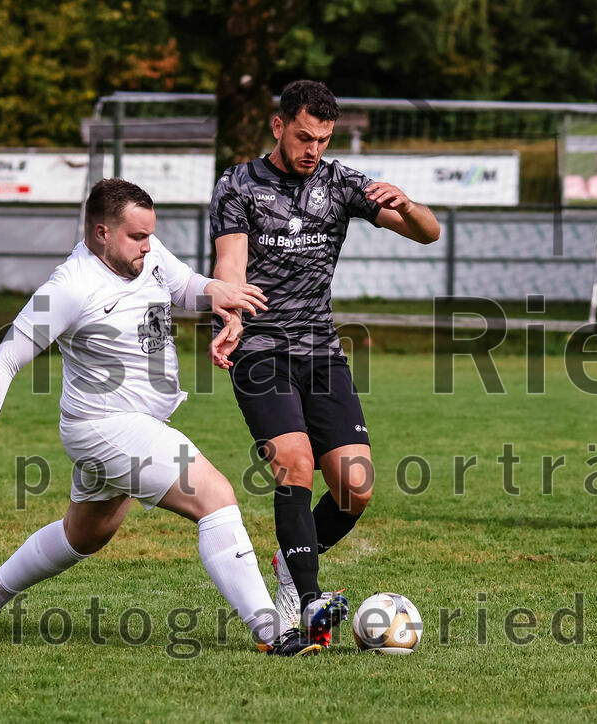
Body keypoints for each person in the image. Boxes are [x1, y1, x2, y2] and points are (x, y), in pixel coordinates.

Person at [0, 178, 322, 656]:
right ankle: (276, 632)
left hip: (132, 425)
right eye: (136, 237)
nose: (148, 245)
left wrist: (218, 293)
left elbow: (183, 286)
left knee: (86, 534)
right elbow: (5, 361)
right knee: (216, 497)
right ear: (101, 233)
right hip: (105, 426)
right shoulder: (71, 286)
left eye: (150, 235)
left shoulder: (148, 251)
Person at [208, 80, 441, 645]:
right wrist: (232, 315)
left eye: (324, 139)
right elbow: (230, 263)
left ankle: (291, 562)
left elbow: (429, 235)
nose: (313, 150)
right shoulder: (239, 184)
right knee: (294, 460)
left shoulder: (340, 183)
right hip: (259, 345)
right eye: (305, 137)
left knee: (355, 487)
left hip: (319, 348)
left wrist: (406, 204)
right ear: (278, 126)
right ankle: (308, 601)